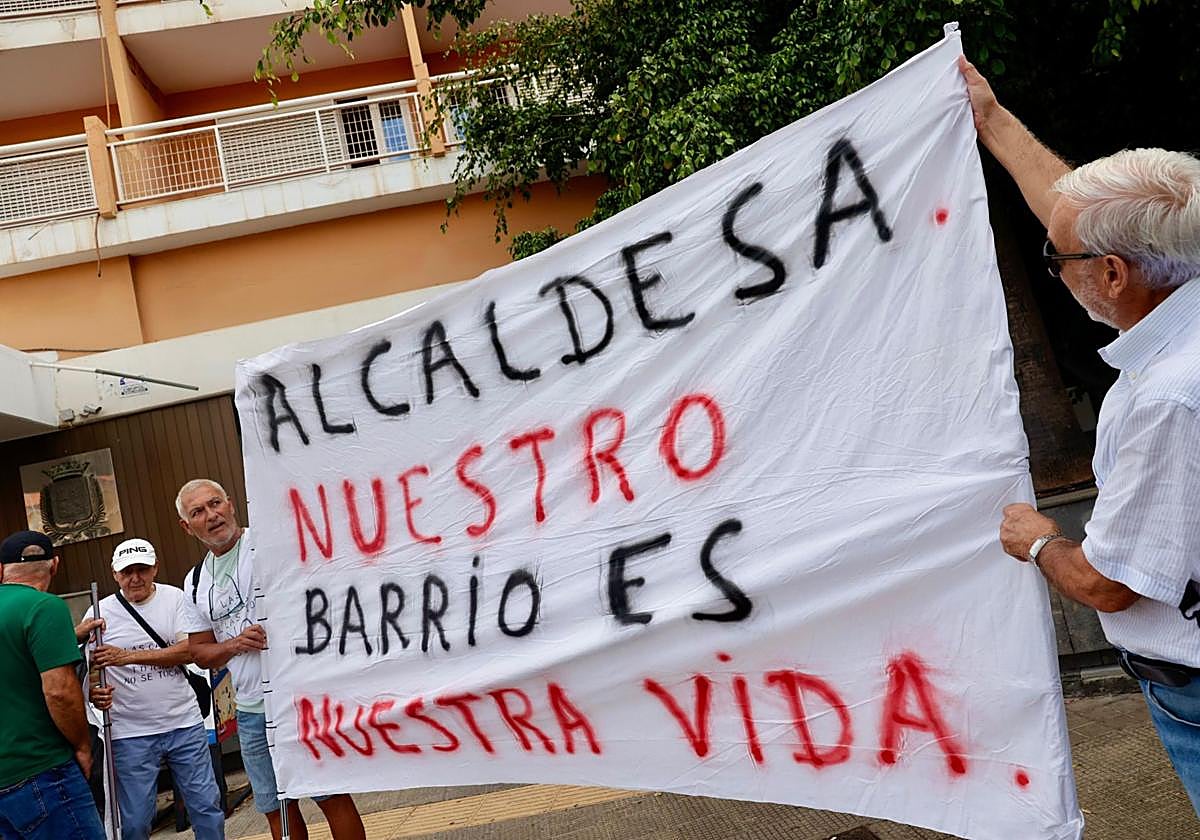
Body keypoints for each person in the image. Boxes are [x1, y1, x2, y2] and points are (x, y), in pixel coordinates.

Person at [960, 57, 1200, 813]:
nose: (1055, 271)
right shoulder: (1177, 280)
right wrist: (991, 120)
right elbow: (1075, 218)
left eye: (1057, 261)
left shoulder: (1171, 399)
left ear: (1116, 275)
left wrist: (1036, 539)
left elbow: (1109, 586)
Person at [176, 479, 366, 840]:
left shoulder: (269, 545)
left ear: (231, 504)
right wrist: (232, 645)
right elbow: (199, 651)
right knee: (276, 806)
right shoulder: (196, 581)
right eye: (198, 512)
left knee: (331, 796)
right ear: (187, 526)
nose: (211, 515)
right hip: (250, 712)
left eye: (215, 503)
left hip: (299, 698)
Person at [87, 537, 225, 840]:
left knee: (206, 807)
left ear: (155, 569)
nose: (135, 578)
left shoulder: (175, 598)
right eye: (127, 572)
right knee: (134, 820)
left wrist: (126, 657)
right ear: (115, 573)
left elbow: (190, 649)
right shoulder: (98, 613)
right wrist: (94, 692)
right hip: (129, 733)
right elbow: (88, 670)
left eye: (142, 569)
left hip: (184, 723)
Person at [0, 530, 106, 840]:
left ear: (1, 570)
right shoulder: (45, 608)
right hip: (42, 771)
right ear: (55, 565)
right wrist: (83, 746)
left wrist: (67, 637)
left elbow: (15, 653)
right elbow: (59, 692)